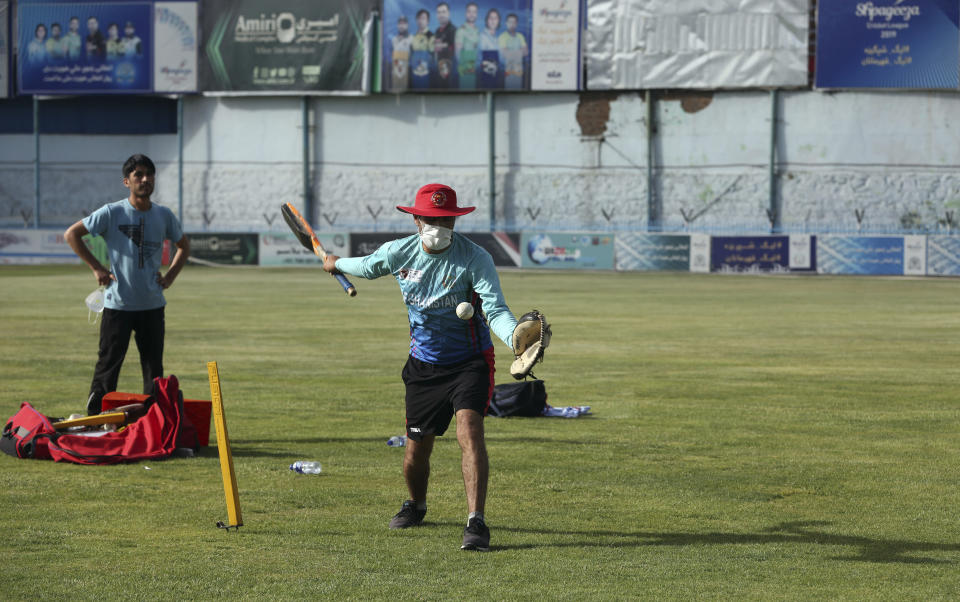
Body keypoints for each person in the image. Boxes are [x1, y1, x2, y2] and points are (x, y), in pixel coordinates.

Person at [322, 183, 520, 552]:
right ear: (416, 219)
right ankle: (416, 505)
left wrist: (516, 340)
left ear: (456, 221)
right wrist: (336, 263)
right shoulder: (400, 252)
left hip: (470, 362)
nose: (438, 225)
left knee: (469, 431)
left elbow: (495, 310)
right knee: (416, 450)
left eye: (446, 220)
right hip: (424, 365)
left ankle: (476, 522)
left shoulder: (475, 259)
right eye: (431, 218)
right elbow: (366, 267)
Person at [64, 154, 190, 415]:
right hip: (118, 305)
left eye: (149, 175)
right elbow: (72, 234)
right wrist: (97, 267)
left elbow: (184, 246)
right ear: (127, 181)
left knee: (154, 370)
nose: (145, 180)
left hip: (153, 306)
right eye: (139, 175)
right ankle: (95, 421)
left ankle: (154, 423)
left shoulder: (164, 215)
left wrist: (169, 277)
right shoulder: (112, 212)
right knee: (108, 366)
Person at [499, 13, 528, 90]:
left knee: (519, 91)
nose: (512, 24)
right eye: (510, 22)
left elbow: (526, 52)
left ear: (516, 24)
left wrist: (510, 52)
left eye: (514, 22)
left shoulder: (520, 36)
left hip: (519, 71)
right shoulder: (503, 36)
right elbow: (504, 54)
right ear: (506, 23)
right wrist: (519, 52)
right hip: (508, 70)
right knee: (509, 91)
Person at [455, 3, 480, 89]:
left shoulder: (477, 30)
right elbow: (458, 53)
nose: (472, 14)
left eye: (474, 12)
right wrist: (465, 68)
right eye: (469, 11)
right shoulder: (461, 30)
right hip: (466, 68)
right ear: (466, 14)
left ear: (477, 14)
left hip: (475, 67)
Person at [432, 2, 457, 88]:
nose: (441, 14)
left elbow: (455, 51)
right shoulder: (437, 31)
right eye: (439, 12)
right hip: (439, 70)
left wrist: (442, 46)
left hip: (450, 74)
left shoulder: (454, 30)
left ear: (448, 13)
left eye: (443, 12)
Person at [410, 9, 434, 90]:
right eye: (419, 18)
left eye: (423, 18)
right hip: (415, 72)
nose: (421, 20)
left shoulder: (431, 36)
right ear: (416, 20)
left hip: (427, 73)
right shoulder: (413, 37)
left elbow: (432, 55)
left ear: (428, 21)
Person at [478, 8, 502, 89]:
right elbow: (479, 60)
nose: (493, 21)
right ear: (487, 20)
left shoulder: (498, 38)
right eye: (490, 18)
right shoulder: (482, 37)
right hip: (485, 79)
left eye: (495, 18)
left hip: (497, 79)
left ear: (498, 21)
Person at [390, 16, 412, 92]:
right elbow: (392, 57)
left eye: (404, 23)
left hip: (408, 74)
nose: (401, 26)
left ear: (407, 25)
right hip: (396, 73)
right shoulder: (394, 40)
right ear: (397, 25)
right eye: (400, 23)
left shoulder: (411, 39)